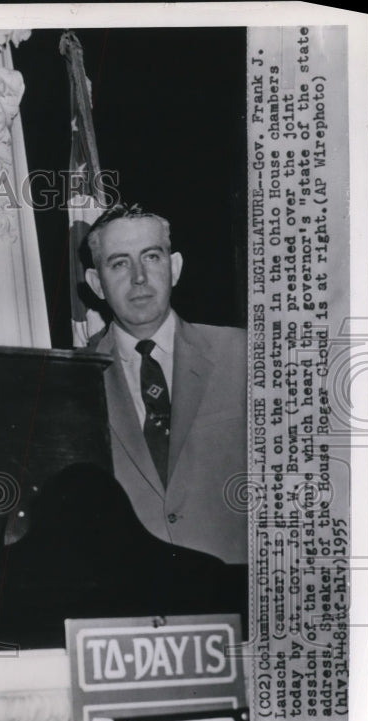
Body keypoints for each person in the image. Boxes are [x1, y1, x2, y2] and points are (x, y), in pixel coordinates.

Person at [81, 203, 248, 564]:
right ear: (96, 283)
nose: (139, 277)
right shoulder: (73, 379)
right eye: (120, 263)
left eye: (151, 257)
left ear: (174, 268)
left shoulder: (245, 355)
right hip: (129, 599)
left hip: (236, 590)